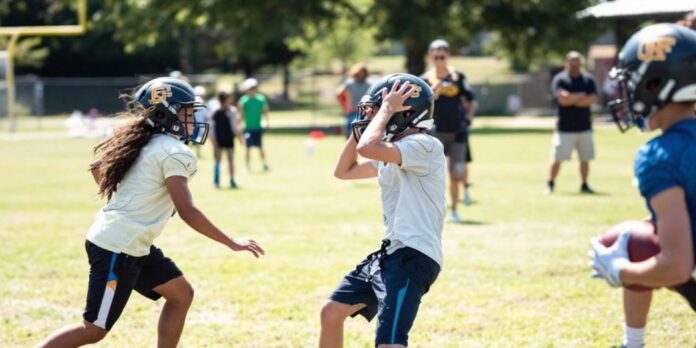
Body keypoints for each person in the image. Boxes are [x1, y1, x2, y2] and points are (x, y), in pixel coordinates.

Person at [36, 77, 264, 348]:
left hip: (131, 244)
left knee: (181, 294)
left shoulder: (146, 140)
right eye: (187, 111)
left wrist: (126, 202)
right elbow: (187, 211)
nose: (193, 118)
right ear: (167, 113)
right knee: (94, 329)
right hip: (118, 248)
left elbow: (97, 167)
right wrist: (231, 242)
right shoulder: (175, 152)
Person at [589, 23, 696, 348]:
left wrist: (621, 270)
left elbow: (677, 266)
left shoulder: (660, 156)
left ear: (655, 83)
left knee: (628, 244)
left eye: (633, 82)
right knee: (641, 235)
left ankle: (632, 343)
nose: (626, 93)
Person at [320, 73, 445, 348]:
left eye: (376, 110)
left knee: (389, 343)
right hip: (392, 253)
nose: (371, 116)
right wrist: (364, 128)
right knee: (331, 312)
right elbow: (344, 171)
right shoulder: (394, 150)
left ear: (404, 113)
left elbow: (368, 148)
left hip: (415, 256)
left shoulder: (424, 146)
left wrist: (386, 110)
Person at [422, 39, 477, 222]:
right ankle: (434, 210)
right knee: (434, 174)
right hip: (435, 131)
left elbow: (470, 100)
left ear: (448, 55)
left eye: (443, 53)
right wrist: (438, 84)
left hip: (458, 131)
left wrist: (469, 118)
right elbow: (426, 101)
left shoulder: (458, 76)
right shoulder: (425, 78)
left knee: (457, 173)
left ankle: (455, 209)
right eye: (436, 54)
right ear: (430, 56)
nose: (439, 56)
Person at [546, 51, 598, 194]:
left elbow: (591, 99)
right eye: (572, 61)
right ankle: (550, 183)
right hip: (564, 128)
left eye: (577, 61)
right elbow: (562, 100)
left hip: (584, 127)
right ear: (566, 63)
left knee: (585, 159)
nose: (575, 64)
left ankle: (585, 184)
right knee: (557, 158)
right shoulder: (560, 79)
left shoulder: (588, 80)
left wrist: (571, 98)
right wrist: (581, 96)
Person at [210, 91, 244, 189]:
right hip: (218, 139)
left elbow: (234, 127)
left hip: (228, 138)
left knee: (230, 159)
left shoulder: (232, 111)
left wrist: (239, 137)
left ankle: (232, 180)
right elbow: (211, 126)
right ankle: (216, 181)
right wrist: (213, 139)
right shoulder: (214, 110)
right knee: (217, 160)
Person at [238, 78, 270, 172]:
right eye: (249, 88)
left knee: (260, 147)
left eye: (253, 88)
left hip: (257, 127)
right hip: (248, 128)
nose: (251, 90)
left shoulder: (261, 99)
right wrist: (239, 126)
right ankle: (246, 165)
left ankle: (264, 164)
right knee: (248, 148)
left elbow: (265, 111)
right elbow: (240, 115)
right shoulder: (244, 100)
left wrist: (267, 122)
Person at [336, 62, 371, 138]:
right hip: (353, 112)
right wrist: (345, 106)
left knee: (361, 135)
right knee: (350, 135)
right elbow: (339, 93)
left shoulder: (369, 84)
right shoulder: (350, 83)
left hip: (364, 112)